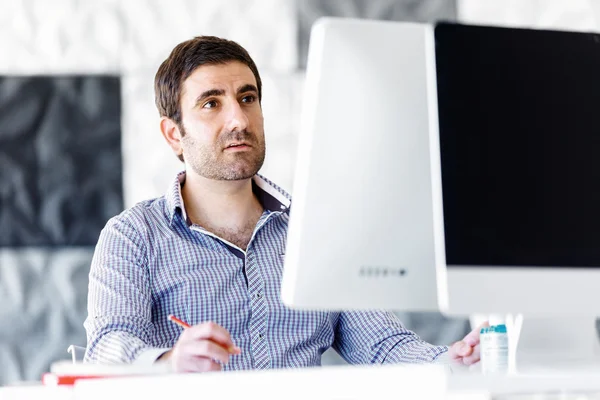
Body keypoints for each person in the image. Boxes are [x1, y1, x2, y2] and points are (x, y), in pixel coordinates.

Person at [84, 35, 485, 372]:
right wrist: (168, 361)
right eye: (211, 103)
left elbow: (381, 345)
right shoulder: (133, 236)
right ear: (173, 134)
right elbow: (105, 349)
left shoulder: (315, 231)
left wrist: (448, 360)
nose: (238, 120)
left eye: (247, 98)